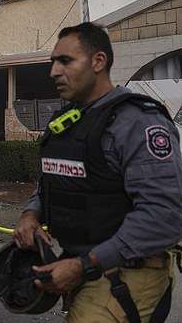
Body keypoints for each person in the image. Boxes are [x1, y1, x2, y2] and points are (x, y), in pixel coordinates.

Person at [13, 22, 182, 322]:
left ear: (98, 62)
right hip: (88, 267)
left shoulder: (137, 122)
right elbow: (57, 177)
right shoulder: (71, 120)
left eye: (65, 61)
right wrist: (32, 213)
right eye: (53, 62)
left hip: (128, 275)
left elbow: (163, 216)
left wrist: (84, 266)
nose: (53, 71)